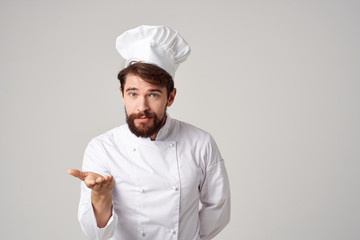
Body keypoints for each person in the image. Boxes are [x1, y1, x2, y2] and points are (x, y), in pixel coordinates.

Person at [68, 25, 231, 240]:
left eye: (153, 94)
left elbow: (218, 208)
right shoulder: (102, 148)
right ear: (122, 94)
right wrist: (100, 197)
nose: (141, 106)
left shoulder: (200, 143)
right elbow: (96, 235)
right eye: (133, 93)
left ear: (170, 97)